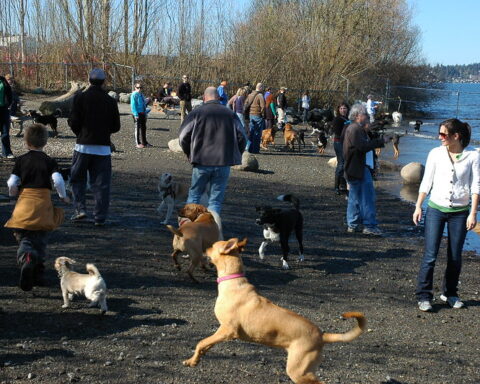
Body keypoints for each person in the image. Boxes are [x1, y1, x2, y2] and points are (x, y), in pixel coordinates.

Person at [413, 118, 479, 312]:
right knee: (430, 255)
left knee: (455, 256)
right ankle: (424, 295)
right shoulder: (435, 154)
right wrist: (418, 206)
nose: (439, 137)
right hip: (435, 209)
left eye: (443, 134)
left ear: (455, 136)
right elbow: (426, 182)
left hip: (460, 212)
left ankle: (450, 293)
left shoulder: (473, 156)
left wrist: (472, 213)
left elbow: (476, 186)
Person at [4, 123, 68, 291]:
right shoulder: (49, 161)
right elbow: (58, 180)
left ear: (26, 142)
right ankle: (37, 272)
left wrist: (13, 197)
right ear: (45, 142)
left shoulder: (21, 160)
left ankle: (26, 258)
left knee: (24, 237)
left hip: (24, 203)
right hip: (42, 205)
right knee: (40, 240)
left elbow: (12, 183)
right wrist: (63, 196)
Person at [179, 87, 246, 214]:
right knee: (215, 201)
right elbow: (242, 136)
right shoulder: (230, 114)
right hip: (223, 161)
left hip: (201, 160)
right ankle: (213, 231)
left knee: (194, 196)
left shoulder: (196, 113)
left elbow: (183, 137)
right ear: (219, 98)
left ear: (204, 98)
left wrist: (189, 152)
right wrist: (236, 154)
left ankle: (189, 230)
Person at [68, 68, 120, 226]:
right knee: (102, 185)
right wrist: (104, 133)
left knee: (77, 179)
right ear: (104, 81)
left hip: (83, 145)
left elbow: (73, 121)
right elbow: (116, 126)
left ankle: (80, 209)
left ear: (89, 80)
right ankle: (100, 217)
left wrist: (80, 134)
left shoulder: (80, 97)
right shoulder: (110, 101)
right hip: (103, 148)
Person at [343, 103, 389, 235]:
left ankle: (353, 224)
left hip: (354, 168)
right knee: (366, 198)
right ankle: (369, 225)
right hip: (358, 168)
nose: (367, 116)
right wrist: (381, 141)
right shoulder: (355, 129)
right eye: (365, 114)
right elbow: (362, 147)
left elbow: (362, 146)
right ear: (358, 116)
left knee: (355, 198)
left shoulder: (354, 129)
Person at [332, 102, 350, 195]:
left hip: (346, 143)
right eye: (341, 108)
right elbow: (337, 132)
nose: (343, 110)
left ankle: (343, 185)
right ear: (338, 110)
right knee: (341, 164)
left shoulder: (347, 119)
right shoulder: (337, 119)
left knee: (346, 164)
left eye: (345, 108)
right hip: (338, 142)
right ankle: (336, 187)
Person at [243, 83, 266, 154]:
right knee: (257, 133)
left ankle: (249, 149)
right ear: (260, 87)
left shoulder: (250, 94)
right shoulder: (260, 95)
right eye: (263, 87)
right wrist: (262, 115)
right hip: (257, 115)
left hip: (250, 115)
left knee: (251, 132)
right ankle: (255, 150)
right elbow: (263, 106)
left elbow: (246, 103)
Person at [131, 82, 151, 148]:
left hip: (142, 113)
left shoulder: (141, 94)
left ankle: (144, 142)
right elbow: (133, 106)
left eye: (140, 87)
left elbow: (143, 104)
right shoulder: (134, 95)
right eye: (137, 87)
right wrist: (136, 114)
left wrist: (145, 113)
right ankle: (137, 143)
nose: (139, 89)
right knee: (137, 128)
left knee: (143, 128)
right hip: (137, 113)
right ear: (135, 88)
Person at [0, 73, 14, 159]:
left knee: (5, 132)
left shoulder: (3, 80)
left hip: (4, 109)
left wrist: (8, 103)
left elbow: (9, 92)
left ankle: (7, 152)